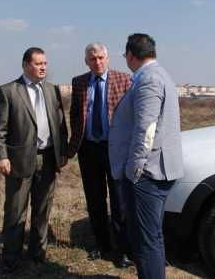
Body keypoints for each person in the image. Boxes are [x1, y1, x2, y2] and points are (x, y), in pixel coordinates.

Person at [109, 33, 184, 279]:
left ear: (131, 55)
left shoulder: (149, 79)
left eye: (125, 55)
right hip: (154, 170)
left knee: (145, 240)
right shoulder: (159, 74)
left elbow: (146, 128)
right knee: (152, 236)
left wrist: (134, 170)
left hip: (147, 174)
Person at [0, 47, 69, 272]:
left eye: (45, 63)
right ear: (25, 65)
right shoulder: (9, 91)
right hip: (19, 160)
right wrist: (1, 157)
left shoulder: (52, 90)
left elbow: (60, 124)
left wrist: (62, 150)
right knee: (16, 211)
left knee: (43, 209)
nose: (43, 67)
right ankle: (11, 258)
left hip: (48, 158)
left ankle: (37, 254)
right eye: (38, 63)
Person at [68, 42, 133, 268]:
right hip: (88, 149)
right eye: (92, 59)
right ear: (86, 61)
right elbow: (75, 114)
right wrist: (75, 142)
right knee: (95, 200)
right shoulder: (79, 82)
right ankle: (102, 245)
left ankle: (123, 250)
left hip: (115, 149)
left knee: (119, 201)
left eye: (101, 58)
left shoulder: (124, 80)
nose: (97, 62)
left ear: (107, 58)